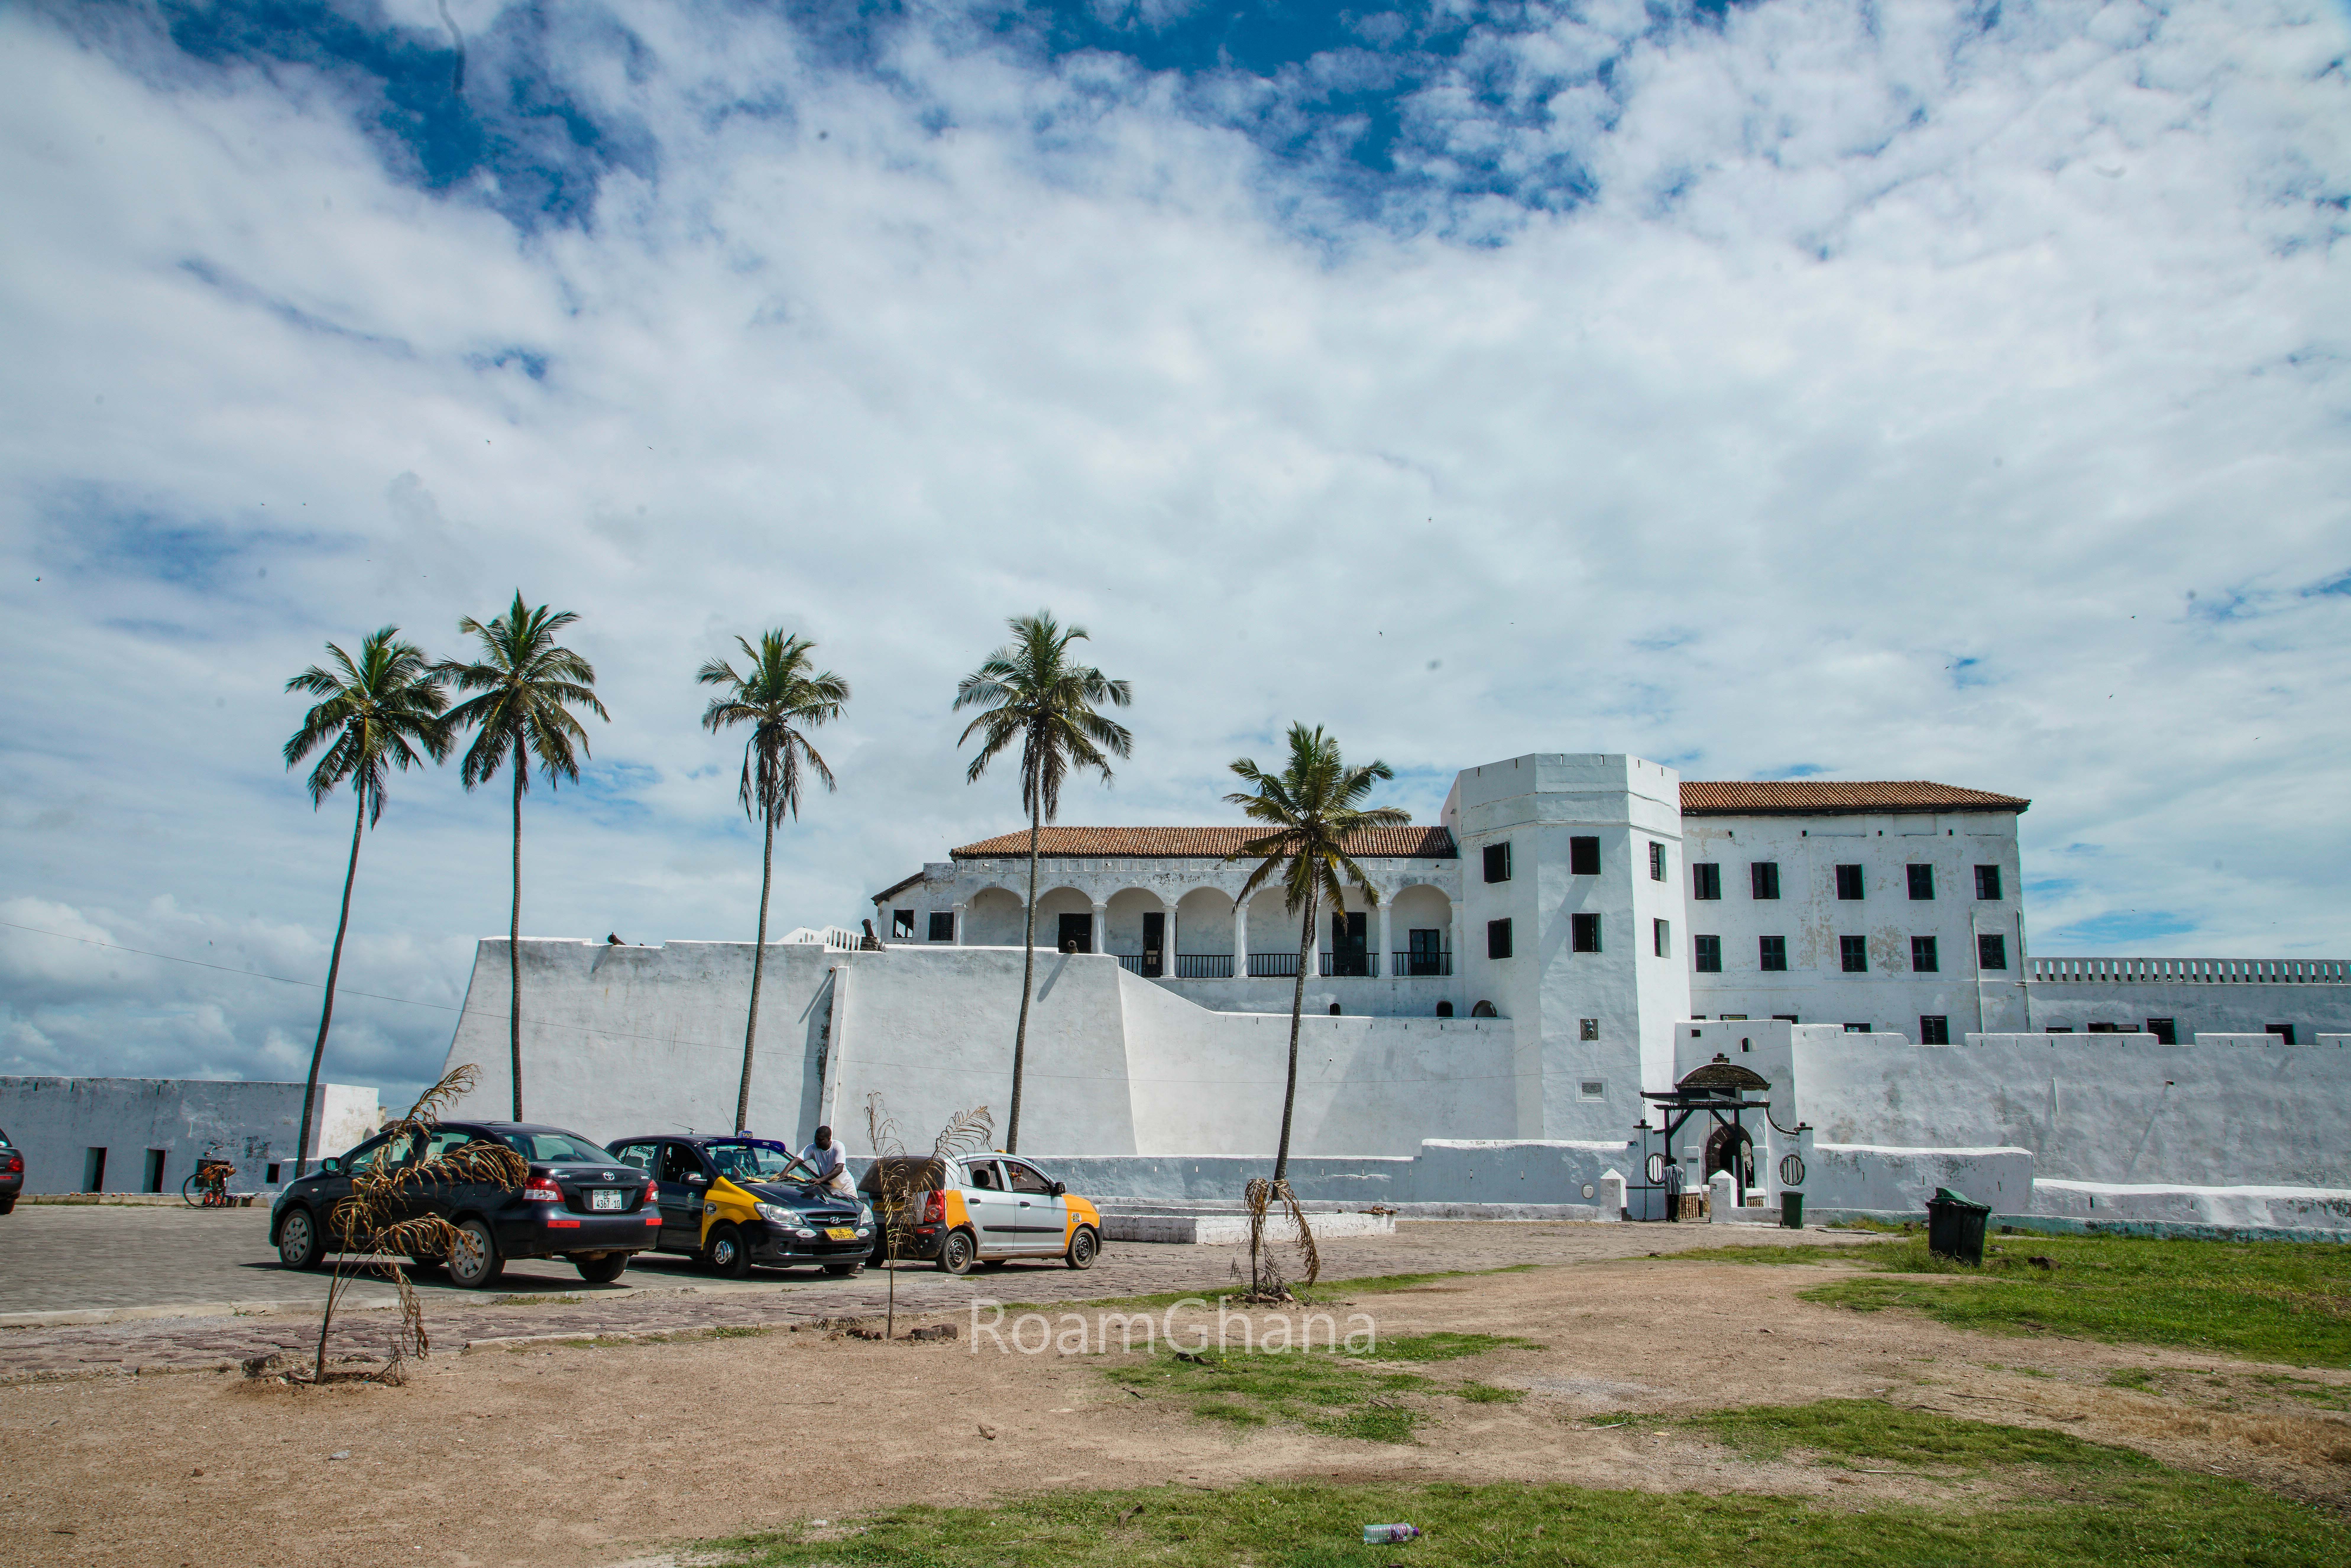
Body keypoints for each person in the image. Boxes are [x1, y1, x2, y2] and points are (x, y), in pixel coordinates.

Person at [798, 1125, 852, 1197]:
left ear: (829, 1139)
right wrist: (784, 1173)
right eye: (816, 1139)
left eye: (821, 1140)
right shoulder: (812, 1148)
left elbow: (839, 1169)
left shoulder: (838, 1146)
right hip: (830, 1188)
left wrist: (820, 1180)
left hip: (846, 1188)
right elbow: (797, 1160)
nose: (817, 1142)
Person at [1662, 1157, 1685, 1223]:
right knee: (1676, 1203)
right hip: (1677, 1188)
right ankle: (1674, 1217)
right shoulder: (1680, 1170)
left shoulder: (1666, 1169)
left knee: (1669, 1203)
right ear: (1676, 1162)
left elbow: (1664, 1178)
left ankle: (1669, 1217)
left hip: (1669, 1188)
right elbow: (1681, 1179)